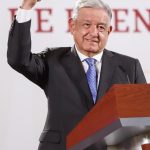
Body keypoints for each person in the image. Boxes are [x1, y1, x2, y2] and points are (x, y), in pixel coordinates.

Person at [7, 0, 147, 150]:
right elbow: (19, 60)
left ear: (109, 31)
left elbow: (145, 119)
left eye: (101, 27)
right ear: (72, 26)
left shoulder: (129, 66)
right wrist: (26, 7)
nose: (94, 33)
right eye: (86, 25)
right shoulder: (52, 60)